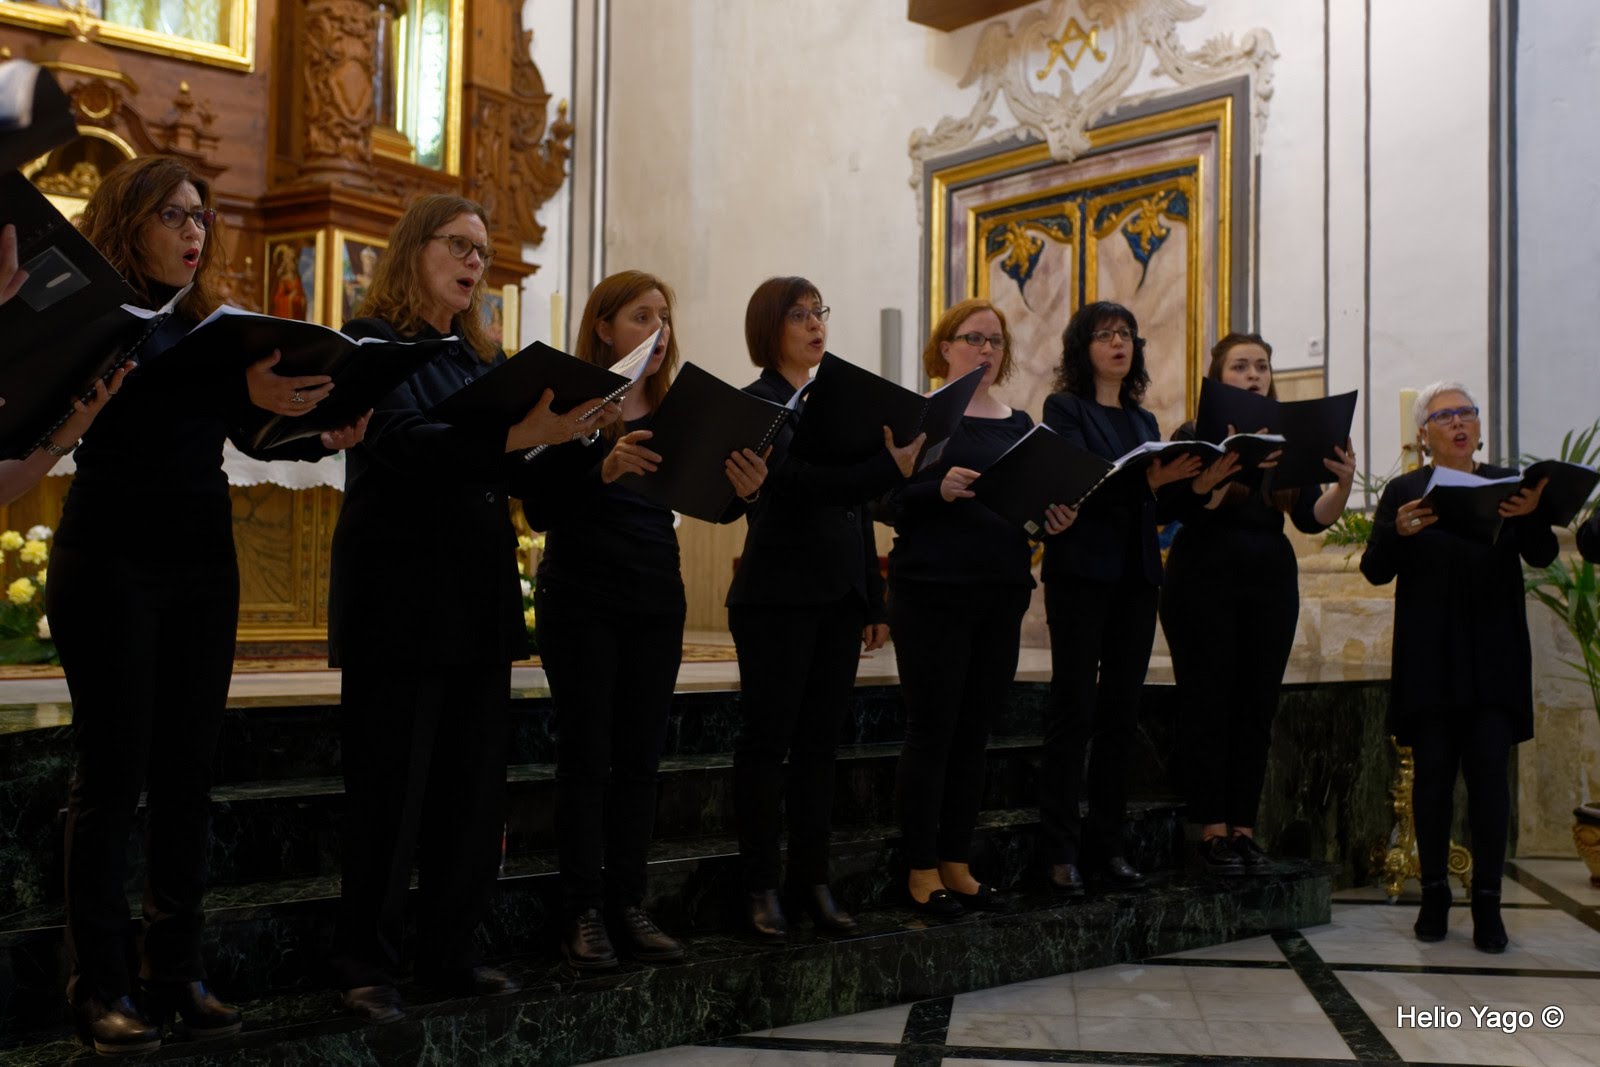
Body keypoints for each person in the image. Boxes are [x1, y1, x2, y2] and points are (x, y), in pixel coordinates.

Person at [47, 156, 365, 1056]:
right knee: (113, 776)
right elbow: (120, 408)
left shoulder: (204, 328)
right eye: (173, 215)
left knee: (189, 774)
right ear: (129, 222)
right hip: (110, 558)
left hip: (199, 560)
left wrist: (320, 430)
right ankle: (98, 982)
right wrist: (232, 389)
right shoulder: (101, 316)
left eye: (200, 216)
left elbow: (245, 428)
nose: (194, 231)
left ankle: (175, 969)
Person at [328, 194, 617, 1023]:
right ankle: (366, 964)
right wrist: (518, 437)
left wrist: (581, 436)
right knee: (390, 793)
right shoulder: (373, 345)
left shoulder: (476, 358)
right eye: (458, 245)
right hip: (399, 600)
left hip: (475, 597)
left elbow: (521, 477)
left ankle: (450, 953)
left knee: (471, 791)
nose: (473, 262)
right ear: (413, 249)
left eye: (481, 253)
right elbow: (404, 444)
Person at [525, 270, 767, 970]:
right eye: (641, 316)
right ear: (604, 327)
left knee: (639, 759)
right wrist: (600, 467)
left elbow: (710, 503)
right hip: (581, 593)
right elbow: (538, 509)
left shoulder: (674, 409)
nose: (658, 330)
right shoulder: (568, 404)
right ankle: (580, 910)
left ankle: (627, 902)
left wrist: (745, 490)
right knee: (586, 756)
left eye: (664, 317)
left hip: (655, 591)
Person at [727, 276, 923, 941]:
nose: (815, 325)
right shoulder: (757, 403)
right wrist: (891, 468)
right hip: (776, 596)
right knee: (766, 745)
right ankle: (760, 884)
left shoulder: (830, 401)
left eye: (819, 312)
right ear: (769, 328)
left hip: (838, 596)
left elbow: (855, 509)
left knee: (819, 747)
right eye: (799, 315)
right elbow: (801, 484)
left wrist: (873, 597)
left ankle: (812, 880)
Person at [877, 298, 1074, 919]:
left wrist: (1054, 518)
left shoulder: (1021, 424)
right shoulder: (922, 416)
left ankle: (956, 861)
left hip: (1001, 588)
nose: (986, 349)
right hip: (932, 589)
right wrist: (935, 488)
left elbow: (1030, 505)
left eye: (995, 340)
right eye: (973, 338)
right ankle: (920, 867)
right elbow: (883, 500)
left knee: (975, 732)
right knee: (932, 730)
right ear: (944, 347)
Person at [1360, 380, 1556, 953]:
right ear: (1424, 435)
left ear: (1478, 425)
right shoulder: (1405, 491)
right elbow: (1375, 570)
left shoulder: (1507, 486)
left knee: (1490, 779)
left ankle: (1489, 903)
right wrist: (1397, 533)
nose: (1458, 422)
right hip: (1431, 655)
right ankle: (1435, 895)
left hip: (1493, 655)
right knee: (1434, 779)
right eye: (1444, 416)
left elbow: (1543, 555)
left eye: (1466, 413)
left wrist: (1531, 516)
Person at [1158, 333, 1356, 875]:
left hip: (1269, 581)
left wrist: (1343, 485)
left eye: (1262, 367)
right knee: (1208, 705)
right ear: (1218, 377)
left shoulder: (1287, 440)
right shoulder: (1193, 434)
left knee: (1256, 708)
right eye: (1241, 366)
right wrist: (1217, 474)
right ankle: (1211, 831)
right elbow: (1182, 510)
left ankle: (1243, 830)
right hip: (1202, 578)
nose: (1253, 375)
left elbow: (1311, 517)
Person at [1037, 301, 1201, 894]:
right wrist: (1147, 482)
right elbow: (1078, 485)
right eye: (1105, 334)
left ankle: (1108, 846)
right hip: (1081, 573)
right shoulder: (1065, 409)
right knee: (1074, 710)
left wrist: (1194, 483)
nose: (1118, 343)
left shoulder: (1143, 420)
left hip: (1136, 578)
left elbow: (1150, 506)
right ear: (1083, 348)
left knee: (1121, 717)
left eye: (1126, 334)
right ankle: (1059, 851)